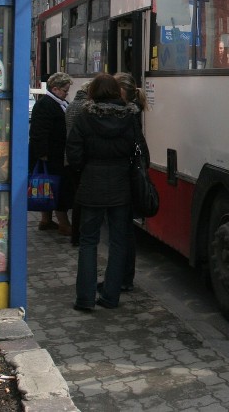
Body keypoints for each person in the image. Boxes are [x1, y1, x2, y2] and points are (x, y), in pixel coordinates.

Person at [66, 73, 139, 311]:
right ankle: (111, 297)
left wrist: (84, 169)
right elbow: (139, 152)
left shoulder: (85, 117)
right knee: (119, 242)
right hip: (121, 185)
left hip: (91, 184)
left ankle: (85, 299)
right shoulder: (130, 118)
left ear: (93, 92)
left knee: (88, 242)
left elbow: (74, 152)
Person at [113, 72, 149, 292]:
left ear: (121, 92)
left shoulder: (126, 116)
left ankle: (123, 279)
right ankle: (123, 278)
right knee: (125, 231)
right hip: (130, 176)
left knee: (123, 232)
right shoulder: (132, 113)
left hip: (125, 179)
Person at [29, 72, 74, 235]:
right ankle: (64, 223)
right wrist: (43, 154)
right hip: (51, 155)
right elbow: (39, 132)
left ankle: (46, 219)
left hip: (53, 153)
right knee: (57, 187)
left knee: (47, 186)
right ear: (55, 89)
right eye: (65, 90)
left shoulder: (57, 102)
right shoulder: (46, 105)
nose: (66, 93)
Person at [64, 80, 91, 247]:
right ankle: (79, 235)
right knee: (82, 200)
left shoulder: (71, 104)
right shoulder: (85, 108)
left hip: (71, 157)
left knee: (77, 198)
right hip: (81, 158)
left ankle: (76, 235)